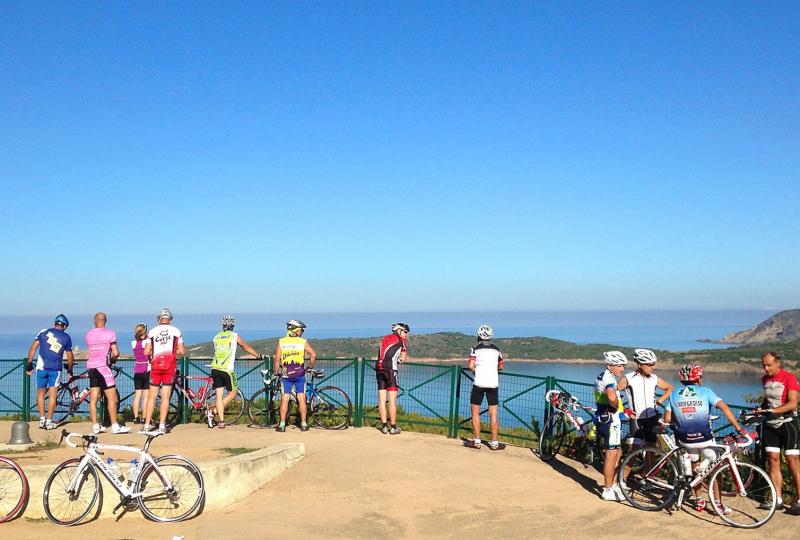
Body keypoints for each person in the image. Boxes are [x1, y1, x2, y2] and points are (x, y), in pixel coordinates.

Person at [669, 363, 745, 514]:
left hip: (685, 439)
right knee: (716, 470)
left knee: (695, 466)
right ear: (697, 379)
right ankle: (718, 505)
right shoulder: (706, 392)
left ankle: (699, 500)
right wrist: (738, 428)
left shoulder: (674, 394)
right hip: (705, 438)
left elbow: (668, 417)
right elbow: (724, 407)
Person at [756, 351, 800, 514]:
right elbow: (767, 400)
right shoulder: (765, 379)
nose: (766, 368)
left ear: (778, 363)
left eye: (769, 365)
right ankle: (778, 499)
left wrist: (773, 410)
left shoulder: (789, 378)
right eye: (764, 365)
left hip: (788, 424)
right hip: (770, 424)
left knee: (792, 461)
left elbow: (793, 404)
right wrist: (761, 409)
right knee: (773, 460)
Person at [209, 315, 260, 429]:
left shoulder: (216, 336)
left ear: (223, 325)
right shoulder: (234, 336)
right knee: (233, 393)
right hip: (227, 369)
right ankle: (214, 412)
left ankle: (221, 421)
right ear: (233, 325)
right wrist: (258, 355)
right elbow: (245, 346)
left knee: (219, 396)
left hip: (215, 368)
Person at [617, 348, 673, 448]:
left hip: (652, 418)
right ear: (640, 365)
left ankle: (650, 465)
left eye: (653, 364)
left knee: (651, 448)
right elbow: (612, 394)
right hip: (636, 419)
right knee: (634, 451)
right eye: (649, 365)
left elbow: (670, 388)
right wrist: (625, 411)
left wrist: (659, 401)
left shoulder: (654, 378)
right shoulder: (628, 378)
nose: (652, 367)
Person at [26, 314, 74, 430]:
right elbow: (69, 355)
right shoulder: (66, 337)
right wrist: (70, 368)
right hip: (55, 369)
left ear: (54, 323)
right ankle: (49, 421)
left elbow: (33, 348)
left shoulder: (43, 332)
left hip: (41, 368)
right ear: (65, 326)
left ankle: (41, 420)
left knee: (40, 395)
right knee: (53, 396)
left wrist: (29, 364)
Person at [85, 312, 130, 434]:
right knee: (112, 397)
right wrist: (113, 361)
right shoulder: (110, 333)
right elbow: (115, 353)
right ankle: (115, 425)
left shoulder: (88, 334)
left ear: (94, 321)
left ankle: (95, 426)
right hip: (104, 368)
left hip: (92, 368)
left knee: (93, 398)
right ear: (105, 321)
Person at [143, 308, 184, 433]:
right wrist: (172, 352)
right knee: (165, 397)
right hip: (170, 366)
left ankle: (146, 425)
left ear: (158, 319)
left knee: (152, 397)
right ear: (170, 319)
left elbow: (146, 351)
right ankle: (162, 425)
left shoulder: (152, 331)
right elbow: (182, 352)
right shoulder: (176, 331)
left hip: (155, 366)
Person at [595, 351, 628, 501]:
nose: (622, 369)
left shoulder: (604, 376)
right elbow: (612, 396)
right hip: (610, 420)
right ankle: (608, 489)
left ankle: (613, 484)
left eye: (623, 366)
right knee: (611, 454)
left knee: (618, 451)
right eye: (620, 366)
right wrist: (614, 407)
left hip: (605, 418)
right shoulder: (609, 378)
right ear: (610, 365)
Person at [465, 325, 504, 450]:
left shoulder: (475, 349)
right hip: (493, 384)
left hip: (479, 383)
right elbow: (501, 366)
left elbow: (471, 366)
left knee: (475, 412)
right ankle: (494, 443)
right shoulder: (497, 350)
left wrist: (478, 371)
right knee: (493, 414)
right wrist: (493, 370)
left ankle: (477, 441)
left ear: (479, 336)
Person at [274, 320, 316, 432]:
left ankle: (282, 425)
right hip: (300, 374)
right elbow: (313, 354)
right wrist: (310, 366)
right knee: (301, 399)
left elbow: (277, 359)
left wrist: (275, 371)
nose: (302, 332)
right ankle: (303, 424)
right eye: (301, 330)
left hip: (286, 375)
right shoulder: (302, 342)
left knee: (285, 399)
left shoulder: (281, 341)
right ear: (297, 331)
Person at [376, 322, 409, 435]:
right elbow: (403, 358)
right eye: (405, 332)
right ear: (399, 331)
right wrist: (398, 360)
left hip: (379, 370)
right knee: (392, 400)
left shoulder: (385, 338)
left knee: (381, 400)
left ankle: (384, 426)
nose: (407, 334)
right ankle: (393, 427)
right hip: (391, 370)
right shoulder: (401, 341)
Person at [130, 323, 150, 424]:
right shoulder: (146, 342)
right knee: (146, 396)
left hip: (137, 369)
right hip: (146, 369)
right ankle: (145, 417)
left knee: (137, 395)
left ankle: (135, 417)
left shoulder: (133, 343)